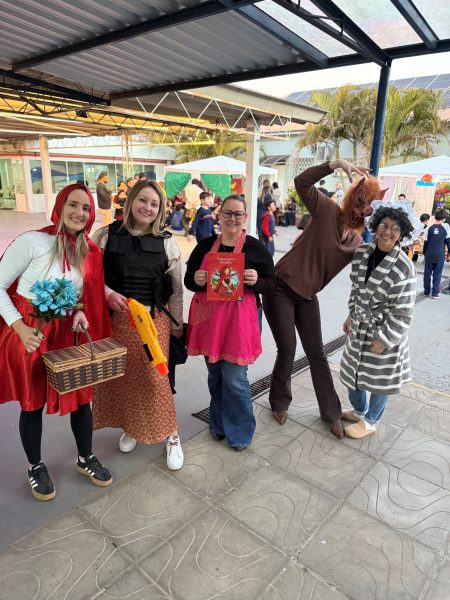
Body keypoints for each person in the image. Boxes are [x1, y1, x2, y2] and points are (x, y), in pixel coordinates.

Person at [0, 184, 113, 501]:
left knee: (81, 395)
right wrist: (20, 327)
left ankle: (85, 457)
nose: (80, 213)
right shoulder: (32, 241)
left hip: (66, 334)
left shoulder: (88, 250)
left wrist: (79, 311)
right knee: (32, 400)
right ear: (60, 206)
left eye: (86, 208)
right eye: (73, 205)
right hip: (31, 331)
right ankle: (35, 465)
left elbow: (78, 293)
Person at [263, 159, 384, 439]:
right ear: (351, 198)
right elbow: (301, 183)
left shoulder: (357, 243)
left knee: (317, 352)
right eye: (359, 203)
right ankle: (279, 401)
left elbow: (371, 267)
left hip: (307, 296)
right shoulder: (326, 210)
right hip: (280, 288)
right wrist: (335, 164)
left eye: (367, 210)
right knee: (288, 349)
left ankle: (331, 412)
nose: (359, 212)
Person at [92, 181, 184, 471]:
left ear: (160, 209)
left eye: (154, 204)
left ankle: (171, 434)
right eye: (142, 200)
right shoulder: (106, 236)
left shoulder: (167, 242)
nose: (148, 207)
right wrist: (107, 293)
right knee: (126, 378)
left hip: (154, 321)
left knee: (157, 380)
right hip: (117, 321)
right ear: (130, 201)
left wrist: (178, 325)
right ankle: (132, 427)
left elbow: (176, 290)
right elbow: (89, 276)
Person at [185, 195, 276, 451]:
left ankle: (240, 430)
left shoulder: (255, 248)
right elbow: (189, 281)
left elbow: (272, 284)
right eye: (227, 213)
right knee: (215, 375)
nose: (232, 218)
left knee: (234, 378)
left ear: (245, 218)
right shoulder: (205, 246)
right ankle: (219, 423)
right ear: (219, 215)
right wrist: (197, 279)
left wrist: (257, 281)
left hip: (239, 322)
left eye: (238, 214)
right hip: (211, 321)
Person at [341, 202, 419, 439]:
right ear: (375, 226)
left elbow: (403, 312)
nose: (388, 231)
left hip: (385, 331)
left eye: (395, 228)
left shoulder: (404, 267)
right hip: (360, 324)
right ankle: (359, 410)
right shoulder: (362, 253)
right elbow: (356, 289)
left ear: (402, 233)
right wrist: (351, 313)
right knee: (352, 373)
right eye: (384, 225)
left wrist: (384, 339)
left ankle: (371, 421)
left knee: (380, 381)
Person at [423, 209, 450, 299]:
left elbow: (425, 243)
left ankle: (426, 292)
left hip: (429, 254)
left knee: (427, 274)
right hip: (440, 255)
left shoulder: (429, 227)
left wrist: (425, 254)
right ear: (444, 219)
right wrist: (449, 254)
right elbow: (448, 242)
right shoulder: (446, 227)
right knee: (437, 274)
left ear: (435, 217)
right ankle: (435, 294)